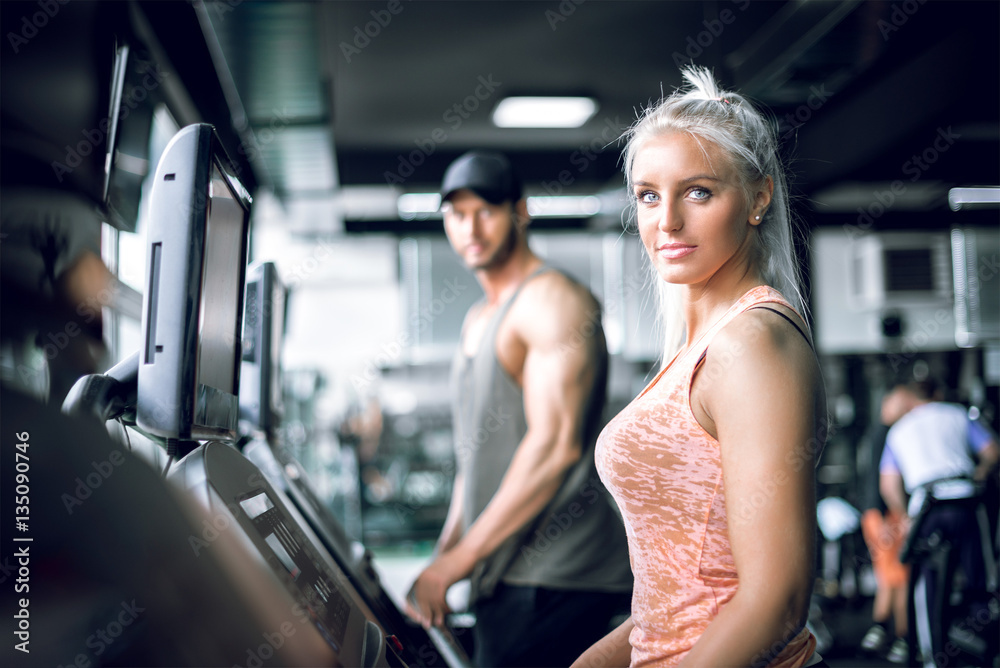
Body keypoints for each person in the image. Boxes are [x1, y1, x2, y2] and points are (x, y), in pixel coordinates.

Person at [574, 66, 827, 668]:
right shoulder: (697, 349)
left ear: (759, 198)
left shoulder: (753, 343)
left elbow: (776, 602)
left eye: (698, 192)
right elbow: (680, 596)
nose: (666, 221)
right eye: (648, 195)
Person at [404, 150, 633, 667]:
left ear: (520, 211)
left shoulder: (552, 301)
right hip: (506, 571)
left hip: (560, 575)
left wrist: (460, 561)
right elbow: (474, 462)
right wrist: (445, 557)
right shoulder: (477, 318)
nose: (470, 228)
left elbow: (555, 447)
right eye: (457, 214)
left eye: (486, 210)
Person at [878, 378, 999, 666]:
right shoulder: (958, 414)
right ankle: (989, 651)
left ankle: (935, 658)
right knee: (981, 579)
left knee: (928, 587)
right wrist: (981, 472)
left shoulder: (898, 430)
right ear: (938, 393)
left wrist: (905, 514)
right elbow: (992, 451)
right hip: (965, 501)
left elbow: (888, 485)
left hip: (926, 509)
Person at [857, 398, 909, 664]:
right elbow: (886, 482)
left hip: (875, 515)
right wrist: (895, 515)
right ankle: (902, 638)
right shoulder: (892, 434)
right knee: (901, 577)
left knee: (889, 577)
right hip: (887, 515)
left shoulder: (875, 434)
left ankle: (879, 632)